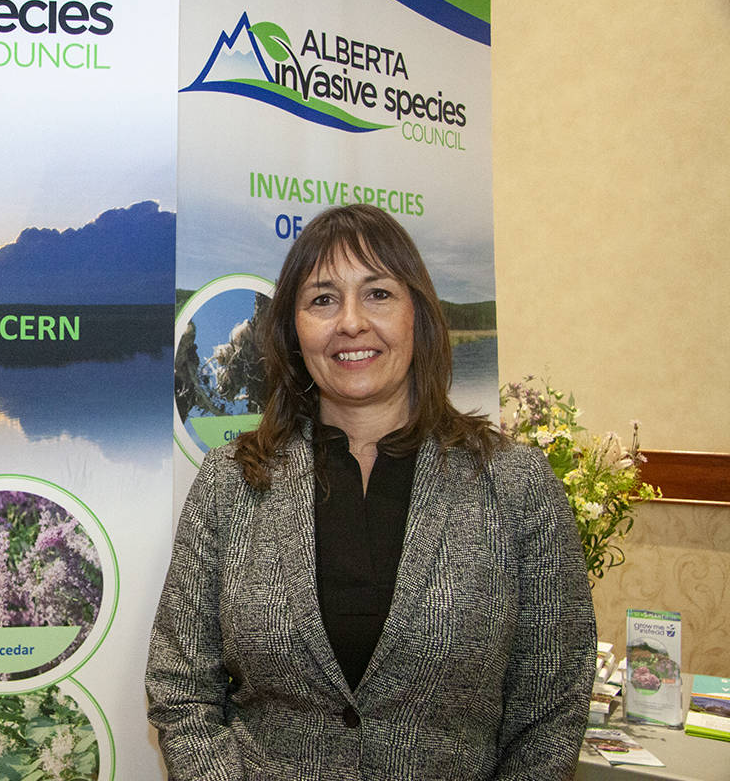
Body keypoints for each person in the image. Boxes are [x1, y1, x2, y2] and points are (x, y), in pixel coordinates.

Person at [146, 204, 595, 780]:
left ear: (418, 316)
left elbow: (551, 707)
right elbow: (181, 687)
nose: (351, 322)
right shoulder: (231, 483)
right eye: (322, 299)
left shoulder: (514, 485)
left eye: (378, 293)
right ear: (291, 329)